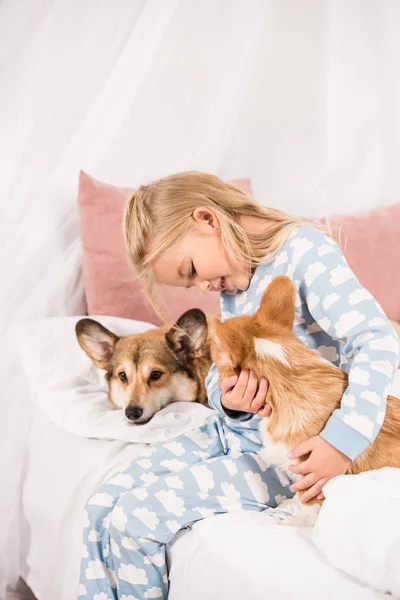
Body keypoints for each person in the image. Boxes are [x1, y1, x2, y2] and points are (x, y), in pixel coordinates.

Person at [78, 172, 399, 600]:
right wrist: (228, 400)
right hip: (232, 431)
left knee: (135, 519)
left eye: (191, 271)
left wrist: (341, 443)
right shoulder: (237, 275)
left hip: (290, 451)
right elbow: (218, 372)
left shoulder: (305, 252)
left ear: (207, 219)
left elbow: (375, 340)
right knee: (101, 505)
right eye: (191, 285)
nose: (203, 287)